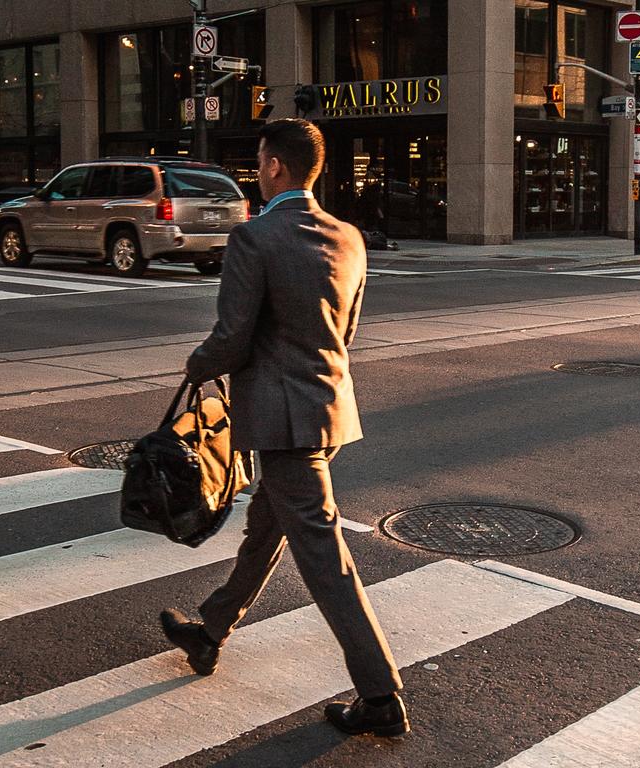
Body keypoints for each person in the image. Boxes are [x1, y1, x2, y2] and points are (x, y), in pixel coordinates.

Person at [159, 118, 408, 737]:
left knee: (326, 558)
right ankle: (210, 631)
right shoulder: (349, 236)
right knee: (266, 528)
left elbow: (233, 338)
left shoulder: (256, 238)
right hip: (328, 409)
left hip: (280, 418)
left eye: (260, 160)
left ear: (274, 167)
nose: (258, 170)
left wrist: (197, 366)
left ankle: (381, 696)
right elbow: (344, 334)